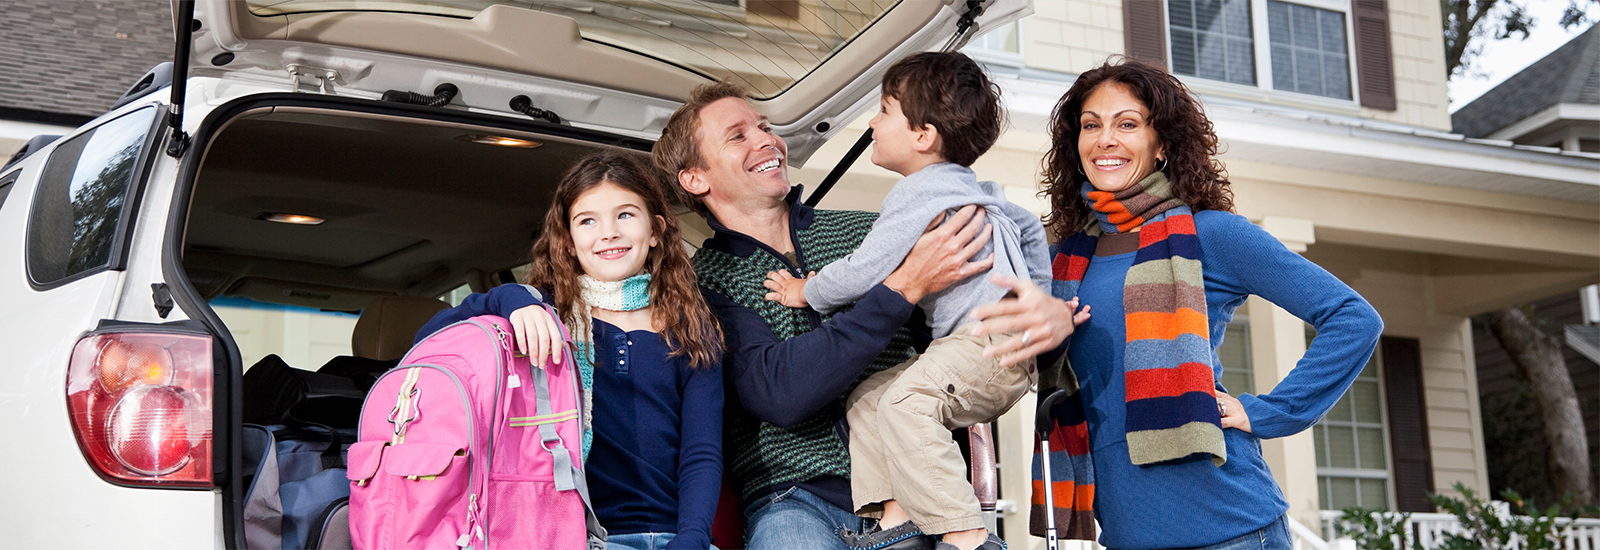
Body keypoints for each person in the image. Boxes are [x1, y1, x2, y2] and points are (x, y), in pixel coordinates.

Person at [651, 79, 1029, 550]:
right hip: (793, 498)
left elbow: (971, 320)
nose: (766, 139)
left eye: (765, 127)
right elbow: (778, 392)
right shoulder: (699, 282)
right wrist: (900, 289)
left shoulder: (871, 231)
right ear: (694, 178)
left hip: (913, 493)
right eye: (738, 135)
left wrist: (1043, 310)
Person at [1025, 57, 1385, 550]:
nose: (1104, 139)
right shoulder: (1061, 263)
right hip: (1127, 533)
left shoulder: (1210, 236)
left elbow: (1353, 319)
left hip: (1231, 527)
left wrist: (1269, 411)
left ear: (1162, 146)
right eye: (1091, 125)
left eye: (1127, 124)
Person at [761, 52, 1066, 550]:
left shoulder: (917, 197)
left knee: (904, 403)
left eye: (883, 112)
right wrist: (1036, 301)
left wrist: (805, 291)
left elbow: (866, 269)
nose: (872, 122)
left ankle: (967, 534)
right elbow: (1031, 227)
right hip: (1004, 349)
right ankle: (896, 518)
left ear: (922, 136)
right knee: (870, 399)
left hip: (980, 345)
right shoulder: (984, 194)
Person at [416, 151, 724, 550]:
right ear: (568, 240)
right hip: (573, 534)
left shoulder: (693, 327)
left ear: (656, 230)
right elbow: (428, 339)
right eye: (587, 221)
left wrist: (693, 539)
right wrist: (510, 299)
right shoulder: (545, 314)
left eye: (626, 215)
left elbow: (701, 452)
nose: (608, 232)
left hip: (676, 536)